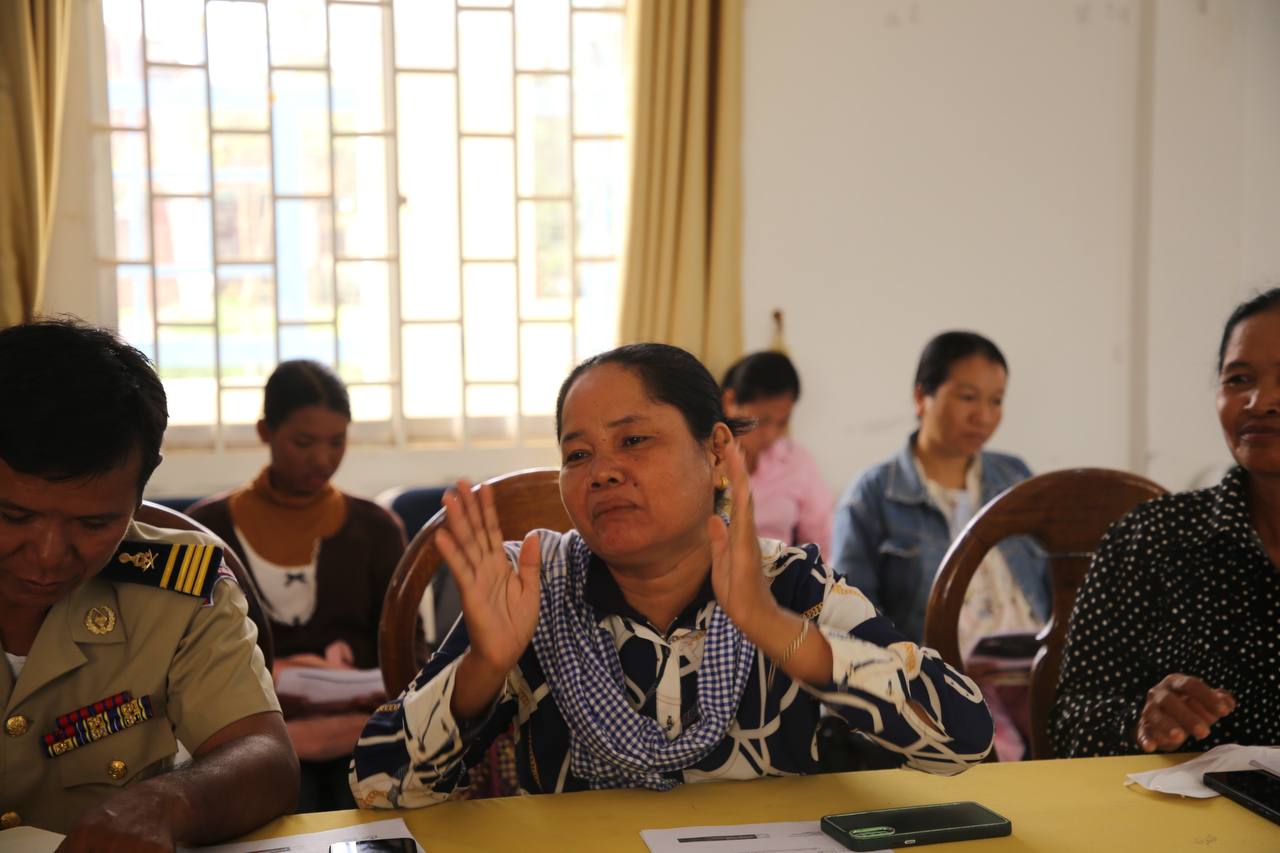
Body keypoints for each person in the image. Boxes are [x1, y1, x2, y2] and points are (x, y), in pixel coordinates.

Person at [349, 343, 992, 808]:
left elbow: (964, 742)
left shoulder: (789, 584)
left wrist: (774, 627)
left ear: (716, 452)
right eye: (578, 454)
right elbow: (377, 783)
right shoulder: (536, 589)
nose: (601, 471)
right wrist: (484, 668)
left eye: (633, 441)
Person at [0, 319, 297, 846]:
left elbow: (266, 757)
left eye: (93, 524)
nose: (47, 555)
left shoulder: (176, 586)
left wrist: (169, 802)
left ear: (140, 488)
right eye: (13, 515)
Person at [1052, 288, 1280, 757]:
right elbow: (1071, 721)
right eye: (1239, 379)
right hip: (1190, 822)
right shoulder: (1151, 540)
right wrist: (1139, 721)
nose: (1260, 402)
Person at [189, 360, 405, 811]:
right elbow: (186, 656)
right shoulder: (206, 530)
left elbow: (408, 651)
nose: (323, 459)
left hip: (363, 737)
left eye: (337, 442)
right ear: (266, 431)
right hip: (250, 743)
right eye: (304, 442)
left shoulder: (376, 528)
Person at [830, 331, 1048, 760]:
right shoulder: (873, 494)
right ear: (921, 396)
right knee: (995, 756)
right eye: (968, 397)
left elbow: (1051, 582)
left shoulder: (1015, 477)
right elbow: (848, 613)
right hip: (939, 685)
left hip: (1034, 674)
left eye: (996, 401)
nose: (984, 416)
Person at [720, 351, 833, 556]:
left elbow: (821, 542)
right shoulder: (703, 460)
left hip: (781, 582)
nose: (771, 434)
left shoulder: (797, 462)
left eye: (783, 422)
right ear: (729, 402)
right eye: (761, 421)